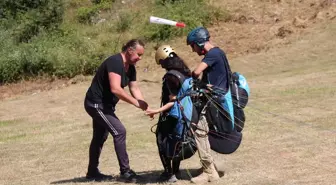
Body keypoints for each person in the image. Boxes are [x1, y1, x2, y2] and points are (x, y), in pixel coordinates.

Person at [84, 39, 148, 182]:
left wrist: (145, 105)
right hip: (96, 104)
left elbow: (134, 88)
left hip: (106, 106)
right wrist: (136, 103)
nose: (140, 58)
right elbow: (116, 89)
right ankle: (125, 172)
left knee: (100, 137)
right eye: (138, 54)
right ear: (130, 50)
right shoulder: (115, 62)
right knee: (119, 131)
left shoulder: (130, 68)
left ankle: (92, 172)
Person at [186, 26, 233, 183]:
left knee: (200, 132)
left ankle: (209, 172)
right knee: (202, 131)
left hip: (215, 101)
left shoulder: (212, 54)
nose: (193, 50)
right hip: (217, 100)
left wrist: (194, 78)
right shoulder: (218, 52)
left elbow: (196, 72)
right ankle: (209, 167)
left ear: (199, 43)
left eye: (192, 46)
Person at [145, 45, 198, 183]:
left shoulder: (171, 76)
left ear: (163, 60)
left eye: (161, 62)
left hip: (175, 114)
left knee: (162, 139)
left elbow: (173, 100)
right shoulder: (185, 71)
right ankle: (175, 171)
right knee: (176, 140)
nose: (161, 66)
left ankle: (169, 174)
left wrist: (156, 111)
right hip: (188, 111)